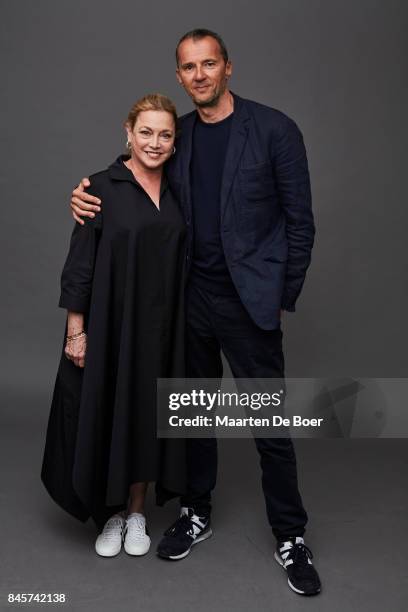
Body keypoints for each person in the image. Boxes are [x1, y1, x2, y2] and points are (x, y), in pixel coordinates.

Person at [69, 30, 322, 595]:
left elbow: (300, 222)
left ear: (228, 67)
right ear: (180, 76)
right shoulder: (176, 134)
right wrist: (89, 190)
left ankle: (290, 534)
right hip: (188, 300)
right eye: (189, 67)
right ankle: (196, 510)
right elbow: (140, 164)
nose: (200, 74)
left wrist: (281, 296)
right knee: (194, 415)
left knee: (268, 423)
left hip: (249, 302)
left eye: (210, 63)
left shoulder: (274, 129)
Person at [41, 93, 188, 558]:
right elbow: (80, 265)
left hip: (164, 331)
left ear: (174, 141)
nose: (154, 142)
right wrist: (76, 332)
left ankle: (139, 510)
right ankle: (110, 515)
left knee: (148, 416)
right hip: (111, 326)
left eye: (165, 134)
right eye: (146, 131)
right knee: (107, 412)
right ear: (128, 132)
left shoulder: (179, 189)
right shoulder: (100, 188)